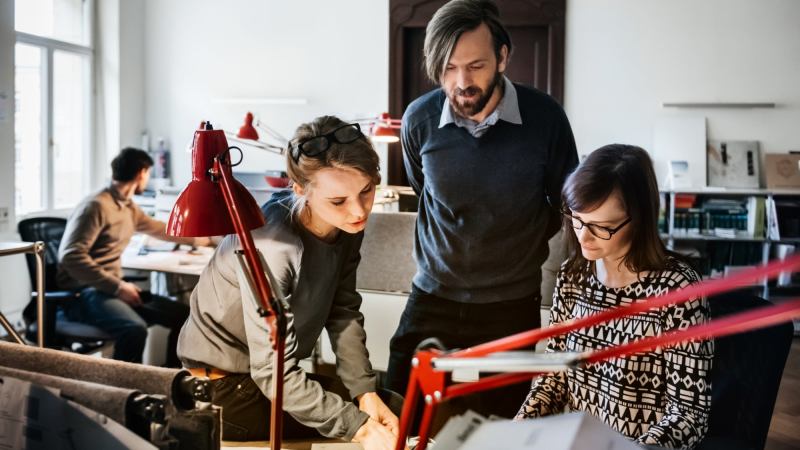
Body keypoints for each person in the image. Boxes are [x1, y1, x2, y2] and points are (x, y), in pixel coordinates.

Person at [386, 0, 579, 415]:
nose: (462, 82)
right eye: (449, 68)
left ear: (502, 57)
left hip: (511, 304)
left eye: (475, 66)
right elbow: (424, 191)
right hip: (432, 296)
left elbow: (563, 204)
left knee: (505, 426)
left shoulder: (546, 119)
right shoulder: (418, 120)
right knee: (400, 412)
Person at [177, 116, 401, 449]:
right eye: (338, 201)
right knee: (374, 425)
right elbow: (271, 373)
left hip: (263, 378)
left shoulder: (346, 226)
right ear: (300, 189)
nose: (358, 211)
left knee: (392, 407)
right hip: (222, 390)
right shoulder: (273, 245)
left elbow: (342, 311)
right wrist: (360, 428)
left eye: (367, 191)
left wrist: (364, 392)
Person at [516, 144, 713, 448]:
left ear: (639, 219)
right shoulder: (573, 275)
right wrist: (519, 427)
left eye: (602, 227)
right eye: (577, 218)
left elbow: (688, 414)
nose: (583, 236)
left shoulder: (679, 291)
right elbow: (555, 376)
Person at [57, 147, 211, 366]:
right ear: (142, 172)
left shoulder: (128, 207)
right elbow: (71, 256)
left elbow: (160, 229)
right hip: (83, 294)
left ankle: (167, 379)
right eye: (148, 174)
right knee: (134, 329)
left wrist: (200, 239)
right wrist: (118, 287)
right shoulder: (95, 206)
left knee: (185, 316)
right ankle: (126, 386)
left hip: (110, 289)